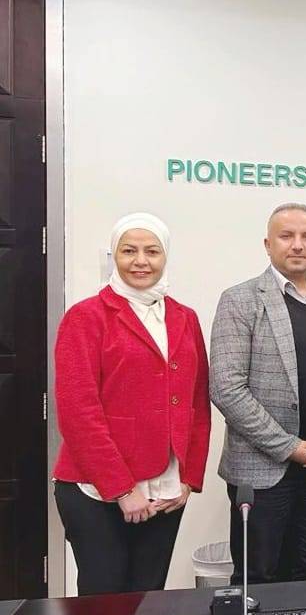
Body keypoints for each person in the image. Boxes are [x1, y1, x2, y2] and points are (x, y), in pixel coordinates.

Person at [52, 213, 210, 595]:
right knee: (104, 603)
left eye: (152, 251)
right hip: (95, 489)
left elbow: (197, 403)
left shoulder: (184, 317)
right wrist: (122, 490)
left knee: (148, 601)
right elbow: (78, 413)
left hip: (166, 486)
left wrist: (189, 478)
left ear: (165, 256)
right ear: (115, 256)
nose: (141, 261)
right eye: (129, 251)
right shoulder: (85, 317)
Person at [210, 203, 306, 583]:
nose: (298, 245)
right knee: (258, 576)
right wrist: (289, 447)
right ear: (268, 244)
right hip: (263, 469)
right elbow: (226, 387)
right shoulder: (240, 300)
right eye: (287, 236)